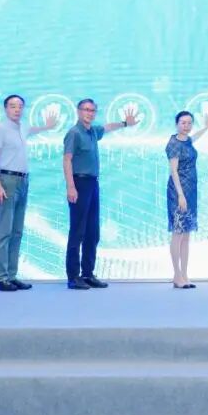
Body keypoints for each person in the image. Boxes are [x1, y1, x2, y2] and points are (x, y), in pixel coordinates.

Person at [62, 98, 138, 290]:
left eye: (92, 110)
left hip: (92, 183)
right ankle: (73, 277)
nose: (89, 113)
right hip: (79, 183)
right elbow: (67, 160)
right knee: (77, 231)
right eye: (86, 110)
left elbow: (107, 127)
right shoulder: (74, 133)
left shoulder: (92, 131)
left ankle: (88, 273)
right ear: (78, 111)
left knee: (92, 231)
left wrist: (124, 123)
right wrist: (71, 186)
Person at [0, 94, 58, 292]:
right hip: (7, 181)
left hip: (24, 181)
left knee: (17, 231)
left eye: (20, 106)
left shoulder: (22, 127)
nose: (17, 109)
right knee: (5, 231)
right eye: (12, 106)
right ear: (5, 109)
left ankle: (12, 275)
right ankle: (1, 278)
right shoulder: (0, 129)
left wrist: (47, 126)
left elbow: (33, 130)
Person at [166, 110, 208, 289]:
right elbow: (173, 171)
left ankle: (184, 274)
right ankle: (176, 274)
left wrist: (206, 128)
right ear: (177, 124)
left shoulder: (187, 141)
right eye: (183, 123)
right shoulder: (173, 143)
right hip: (178, 192)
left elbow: (193, 139)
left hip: (191, 191)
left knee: (186, 235)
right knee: (178, 233)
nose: (186, 126)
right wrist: (180, 194)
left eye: (189, 123)